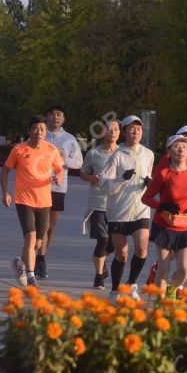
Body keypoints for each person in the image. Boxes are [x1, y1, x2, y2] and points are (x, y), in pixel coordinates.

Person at [0, 115, 64, 288]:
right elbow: (5, 170)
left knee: (38, 243)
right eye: (35, 128)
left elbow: (60, 169)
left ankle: (20, 262)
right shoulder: (19, 150)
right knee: (30, 238)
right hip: (24, 200)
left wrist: (58, 177)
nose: (39, 132)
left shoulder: (51, 150)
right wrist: (5, 192)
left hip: (44, 202)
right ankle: (30, 276)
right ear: (29, 131)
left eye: (42, 129)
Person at [142, 134, 187, 299]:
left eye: (184, 146)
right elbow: (146, 198)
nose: (181, 149)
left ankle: (171, 290)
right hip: (164, 226)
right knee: (163, 268)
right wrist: (161, 206)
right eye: (176, 146)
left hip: (185, 226)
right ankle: (159, 302)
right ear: (169, 152)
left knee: (184, 269)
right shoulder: (164, 173)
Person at [100, 115, 155, 300]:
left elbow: (150, 178)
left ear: (142, 132)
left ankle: (131, 284)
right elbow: (104, 185)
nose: (135, 132)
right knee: (121, 253)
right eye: (131, 129)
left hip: (141, 209)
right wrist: (121, 179)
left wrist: (150, 183)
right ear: (124, 132)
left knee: (142, 248)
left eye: (138, 129)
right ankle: (115, 289)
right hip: (118, 211)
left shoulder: (148, 154)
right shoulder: (117, 155)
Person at [38, 106, 83, 279]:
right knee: (42, 224)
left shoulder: (69, 139)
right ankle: (39, 258)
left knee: (51, 226)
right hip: (39, 186)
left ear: (63, 119)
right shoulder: (40, 135)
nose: (55, 117)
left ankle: (42, 257)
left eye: (59, 114)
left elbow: (78, 162)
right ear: (47, 117)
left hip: (58, 187)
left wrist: (65, 160)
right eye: (51, 114)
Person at [80, 119, 120, 290]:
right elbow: (83, 173)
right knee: (103, 239)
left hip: (118, 204)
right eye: (109, 129)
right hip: (98, 203)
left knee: (113, 244)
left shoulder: (124, 153)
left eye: (116, 129)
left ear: (120, 133)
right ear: (103, 132)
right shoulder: (94, 154)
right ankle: (99, 277)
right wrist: (91, 178)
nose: (112, 132)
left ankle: (100, 260)